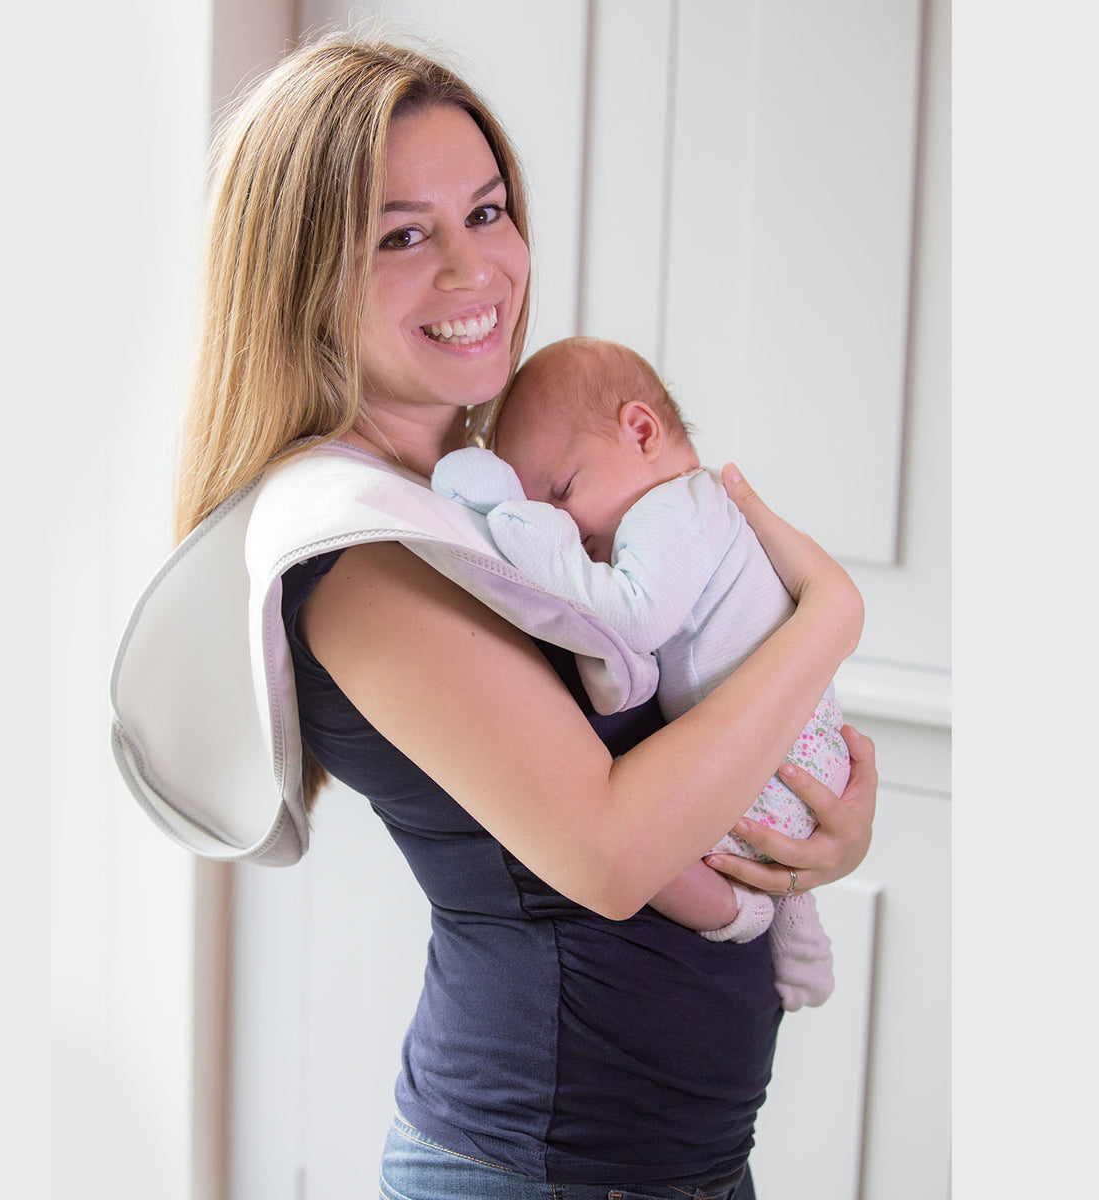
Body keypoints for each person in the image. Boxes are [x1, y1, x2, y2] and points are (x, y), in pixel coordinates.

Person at [174, 31, 876, 1199]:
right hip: (539, 1167)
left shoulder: (494, 491)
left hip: (674, 1161)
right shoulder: (359, 547)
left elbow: (693, 717)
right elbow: (610, 852)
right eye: (403, 235)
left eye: (488, 212)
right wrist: (832, 619)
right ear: (301, 274)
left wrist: (812, 842)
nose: (475, 270)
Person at [433, 336, 850, 1011]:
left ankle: (741, 914)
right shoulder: (700, 512)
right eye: (547, 506)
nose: (567, 522)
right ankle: (800, 936)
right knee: (771, 855)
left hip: (779, 767)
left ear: (642, 431)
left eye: (563, 490)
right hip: (802, 754)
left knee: (652, 853)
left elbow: (632, 619)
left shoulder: (672, 510)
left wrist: (516, 518)